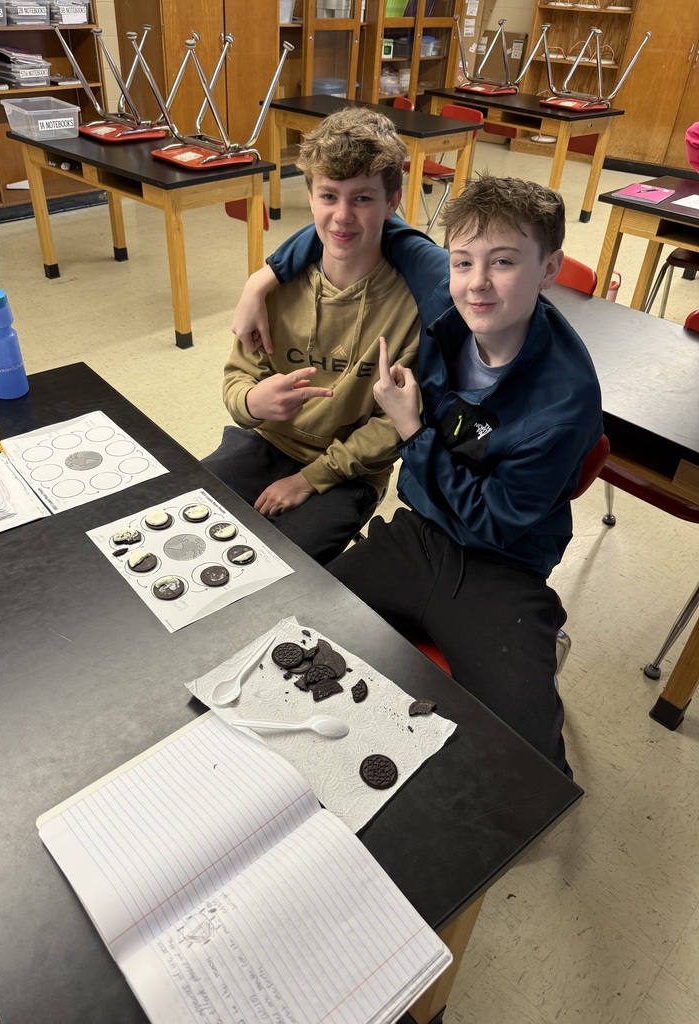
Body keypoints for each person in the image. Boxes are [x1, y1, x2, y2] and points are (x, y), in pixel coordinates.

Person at [233, 174, 603, 777]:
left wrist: (413, 433)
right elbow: (367, 223)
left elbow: (491, 522)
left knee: (529, 769)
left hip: (499, 567)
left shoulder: (563, 406)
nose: (477, 282)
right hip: (416, 536)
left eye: (504, 262)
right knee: (279, 651)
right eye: (464, 261)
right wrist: (263, 278)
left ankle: (539, 640)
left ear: (548, 269)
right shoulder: (448, 289)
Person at [203, 106, 422, 565]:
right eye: (329, 196)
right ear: (310, 196)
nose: (341, 217)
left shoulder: (414, 304)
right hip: (269, 440)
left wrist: (309, 480)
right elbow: (239, 374)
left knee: (284, 570)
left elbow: (391, 427)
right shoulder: (276, 285)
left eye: (362, 198)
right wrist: (250, 402)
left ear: (393, 201)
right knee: (188, 516)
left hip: (350, 471)